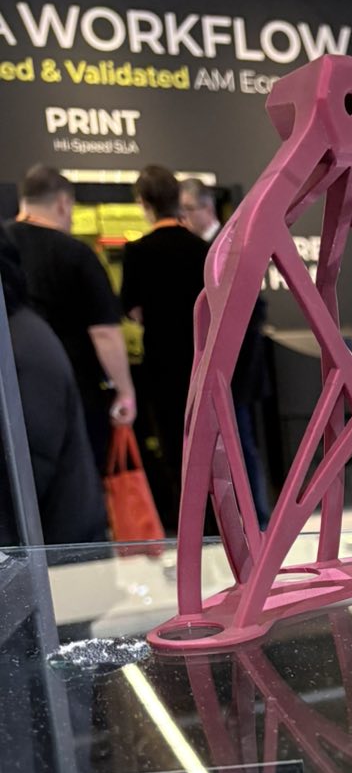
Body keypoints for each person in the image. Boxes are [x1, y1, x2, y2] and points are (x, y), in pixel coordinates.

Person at [5, 165, 136, 476]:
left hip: (10, 391)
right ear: (64, 203)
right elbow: (104, 333)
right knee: (77, 478)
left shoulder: (4, 247)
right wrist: (124, 391)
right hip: (72, 391)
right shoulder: (76, 254)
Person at [0, 229, 107, 545]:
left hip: (54, 554)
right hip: (53, 548)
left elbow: (25, 475)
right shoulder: (18, 335)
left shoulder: (17, 348)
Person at [177, 178, 271, 526]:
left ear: (206, 207)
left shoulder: (228, 248)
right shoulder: (203, 249)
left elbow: (252, 312)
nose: (183, 218)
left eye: (187, 210)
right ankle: (237, 519)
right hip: (221, 370)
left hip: (235, 373)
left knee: (240, 444)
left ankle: (255, 519)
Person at [120, 166, 209, 530]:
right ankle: (214, 521)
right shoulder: (203, 250)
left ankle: (185, 521)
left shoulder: (138, 252)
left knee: (174, 444)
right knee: (209, 442)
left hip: (162, 362)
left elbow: (131, 307)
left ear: (144, 203)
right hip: (204, 360)